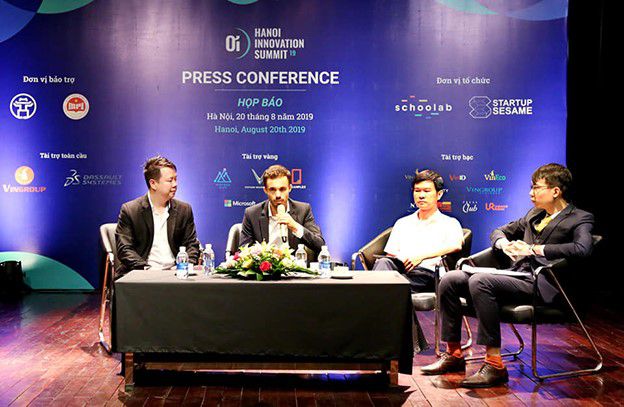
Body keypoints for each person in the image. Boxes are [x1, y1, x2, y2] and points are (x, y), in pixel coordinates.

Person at [421, 163, 594, 388]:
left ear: (555, 191)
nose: (531, 193)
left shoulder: (580, 218)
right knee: (451, 279)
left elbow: (582, 249)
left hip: (545, 284)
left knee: (481, 281)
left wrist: (534, 249)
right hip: (518, 276)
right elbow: (499, 231)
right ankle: (453, 354)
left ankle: (494, 365)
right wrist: (504, 244)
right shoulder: (534, 215)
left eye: (536, 187)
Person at [373, 169, 464, 352]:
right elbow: (390, 255)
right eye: (417, 191)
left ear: (439, 194)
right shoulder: (403, 223)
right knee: (383, 266)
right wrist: (400, 262)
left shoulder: (449, 223)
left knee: (389, 289)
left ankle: (384, 341)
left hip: (428, 275)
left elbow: (456, 245)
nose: (421, 195)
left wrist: (421, 256)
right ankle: (410, 343)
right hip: (401, 272)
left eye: (426, 191)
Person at [115, 156, 200, 278]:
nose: (175, 184)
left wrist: (185, 265)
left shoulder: (184, 210)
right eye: (170, 180)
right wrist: (146, 269)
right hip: (142, 273)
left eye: (176, 179)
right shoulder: (130, 210)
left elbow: (192, 245)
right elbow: (125, 249)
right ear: (153, 184)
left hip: (176, 274)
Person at [240, 164, 325, 257]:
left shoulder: (303, 210)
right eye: (272, 190)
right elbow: (243, 251)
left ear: (289, 188)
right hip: (265, 265)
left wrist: (295, 226)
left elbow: (320, 245)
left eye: (282, 189)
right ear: (265, 190)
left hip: (294, 265)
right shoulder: (252, 214)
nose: (278, 195)